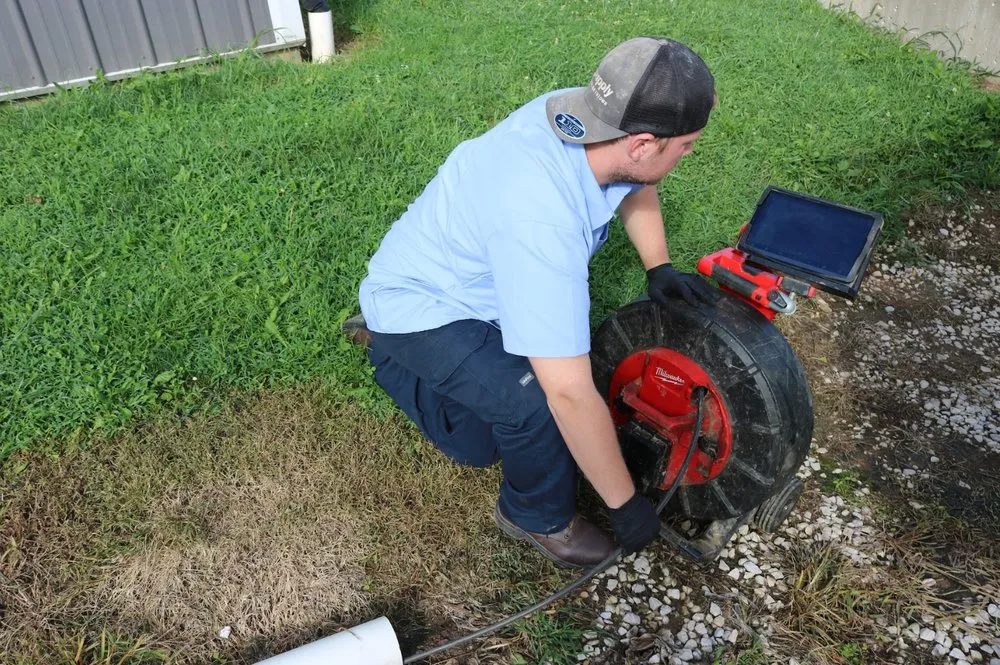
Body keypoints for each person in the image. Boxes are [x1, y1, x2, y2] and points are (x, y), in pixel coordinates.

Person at [346, 36, 719, 568]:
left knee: (482, 441)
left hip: (478, 281)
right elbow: (567, 394)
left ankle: (409, 354)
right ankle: (535, 516)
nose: (689, 153)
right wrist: (624, 504)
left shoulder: (585, 115)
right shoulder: (541, 220)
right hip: (423, 303)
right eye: (686, 144)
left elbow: (635, 179)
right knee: (535, 404)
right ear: (641, 142)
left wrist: (658, 266)